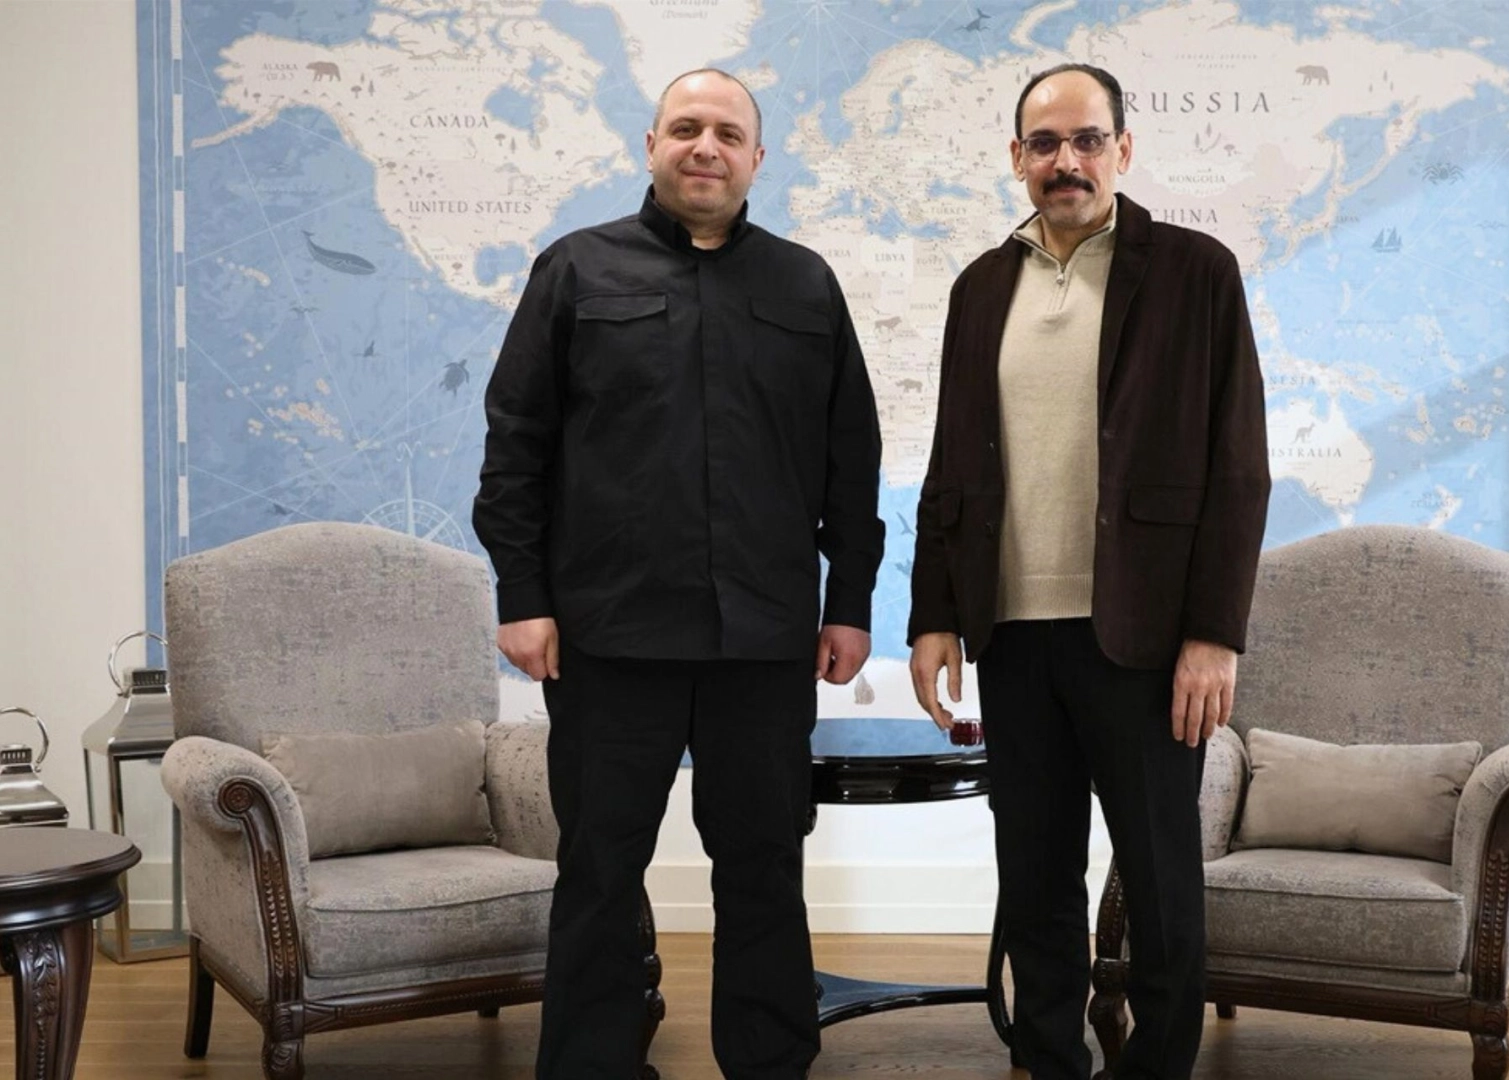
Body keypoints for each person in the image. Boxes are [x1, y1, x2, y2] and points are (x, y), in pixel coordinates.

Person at [474, 68, 884, 1080]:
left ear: (757, 158)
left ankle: (770, 1061)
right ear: (651, 143)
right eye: (687, 127)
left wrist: (850, 605)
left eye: (728, 133)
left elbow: (852, 461)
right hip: (609, 637)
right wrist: (522, 596)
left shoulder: (806, 285)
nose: (707, 146)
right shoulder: (575, 269)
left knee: (763, 867)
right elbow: (516, 444)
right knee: (601, 869)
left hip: (765, 641)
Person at [907, 63, 1270, 1080]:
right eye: (1044, 143)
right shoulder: (982, 286)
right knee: (1034, 876)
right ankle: (1049, 1057)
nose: (1065, 160)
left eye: (1087, 139)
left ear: (1123, 148)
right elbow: (950, 462)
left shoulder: (1195, 272)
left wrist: (1214, 634)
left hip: (1146, 638)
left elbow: (1239, 467)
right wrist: (933, 614)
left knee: (1160, 880)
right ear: (1016, 157)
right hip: (1012, 634)